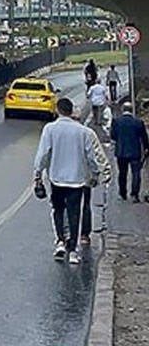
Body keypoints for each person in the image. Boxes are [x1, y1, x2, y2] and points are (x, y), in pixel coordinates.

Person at [33, 97, 103, 264]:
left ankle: (60, 241)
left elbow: (43, 153)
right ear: (71, 111)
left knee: (57, 210)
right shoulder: (82, 131)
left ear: (58, 110)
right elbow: (90, 156)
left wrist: (38, 173)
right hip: (77, 179)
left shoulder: (50, 129)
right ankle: (73, 250)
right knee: (74, 213)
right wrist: (95, 174)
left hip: (56, 178)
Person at [109, 101, 149, 202]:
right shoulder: (138, 122)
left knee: (122, 173)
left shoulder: (116, 121)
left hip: (121, 151)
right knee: (136, 173)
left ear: (123, 110)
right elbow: (144, 137)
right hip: (135, 151)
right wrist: (146, 148)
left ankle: (123, 193)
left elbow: (113, 136)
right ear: (132, 110)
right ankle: (134, 194)